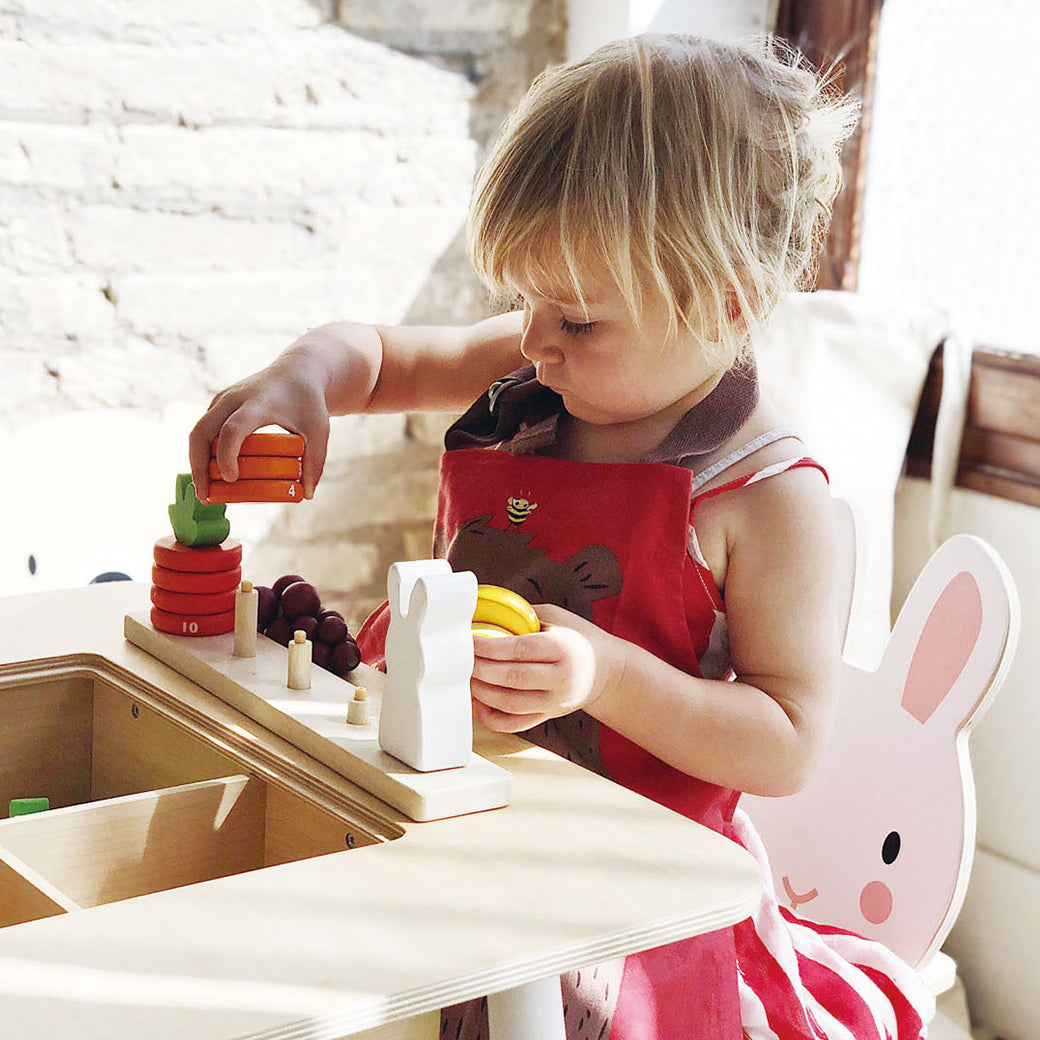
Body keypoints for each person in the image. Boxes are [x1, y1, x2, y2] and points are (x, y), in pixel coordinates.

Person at [190, 33, 934, 1040]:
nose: (533, 341)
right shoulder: (541, 364)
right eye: (523, 301)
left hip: (626, 897)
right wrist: (302, 379)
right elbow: (381, 358)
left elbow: (787, 741)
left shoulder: (765, 499)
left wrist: (605, 676)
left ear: (728, 300)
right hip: (461, 814)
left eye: (576, 319)